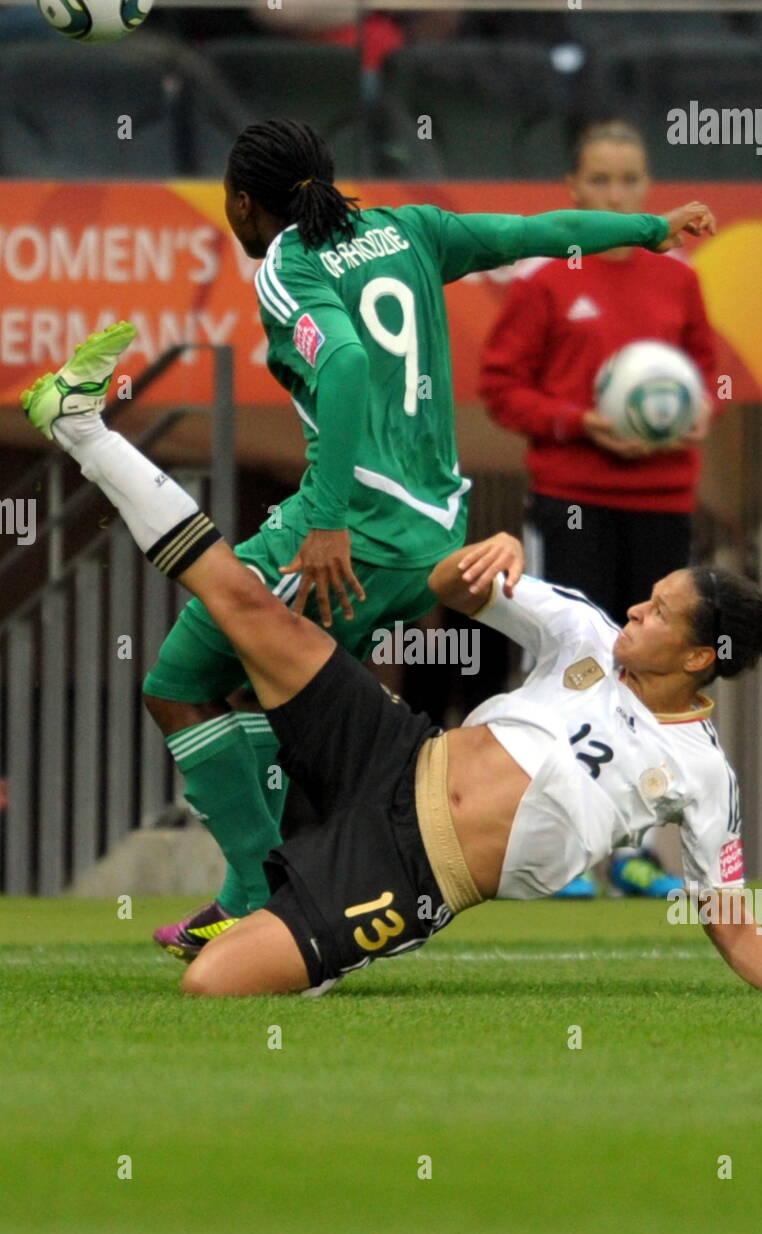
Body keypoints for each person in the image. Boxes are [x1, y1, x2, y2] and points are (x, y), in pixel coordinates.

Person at [22, 328, 762, 997]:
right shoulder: (584, 632)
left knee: (212, 984)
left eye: (659, 611)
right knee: (243, 603)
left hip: (413, 871)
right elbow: (451, 587)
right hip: (392, 749)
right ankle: (80, 426)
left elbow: (726, 912)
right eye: (648, 596)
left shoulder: (704, 776)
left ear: (702, 656)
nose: (636, 608)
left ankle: (290, 910)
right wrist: (482, 554)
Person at [134, 117, 716, 950]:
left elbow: (339, 365)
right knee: (272, 695)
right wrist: (650, 230)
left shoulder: (286, 269)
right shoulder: (407, 228)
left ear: (241, 202)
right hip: (436, 538)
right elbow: (539, 233)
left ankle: (267, 890)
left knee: (177, 681)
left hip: (355, 531)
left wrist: (327, 518)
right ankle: (281, 886)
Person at [480, 118, 717, 900]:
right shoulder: (546, 281)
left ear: (644, 188)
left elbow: (709, 376)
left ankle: (634, 852)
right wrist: (578, 422)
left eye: (630, 180)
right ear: (573, 192)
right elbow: (499, 389)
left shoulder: (678, 280)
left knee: (656, 679)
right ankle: (560, 855)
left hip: (661, 502)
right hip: (572, 500)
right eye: (601, 181)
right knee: (573, 667)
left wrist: (694, 415)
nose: (618, 193)